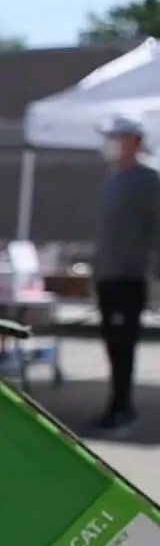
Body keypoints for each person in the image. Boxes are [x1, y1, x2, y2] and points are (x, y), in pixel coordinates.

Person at [92, 114, 160, 437]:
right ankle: (116, 404)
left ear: (133, 141)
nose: (113, 144)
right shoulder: (113, 178)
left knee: (124, 344)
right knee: (111, 345)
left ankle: (122, 407)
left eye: (118, 138)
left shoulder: (148, 180)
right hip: (108, 274)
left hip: (129, 277)